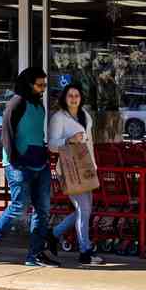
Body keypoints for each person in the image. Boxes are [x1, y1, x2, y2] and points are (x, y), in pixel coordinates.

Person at [0, 66, 60, 267]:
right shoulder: (17, 102)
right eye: (39, 85)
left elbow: (35, 133)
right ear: (28, 83)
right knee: (19, 206)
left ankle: (35, 255)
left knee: (43, 210)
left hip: (39, 163)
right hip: (18, 164)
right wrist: (14, 159)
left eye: (44, 85)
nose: (42, 89)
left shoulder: (39, 106)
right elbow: (6, 131)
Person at [49, 82, 103, 265]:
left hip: (86, 168)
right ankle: (85, 252)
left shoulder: (85, 115)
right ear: (65, 98)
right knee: (84, 209)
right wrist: (69, 140)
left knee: (85, 210)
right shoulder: (59, 118)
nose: (73, 98)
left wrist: (93, 167)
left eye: (77, 95)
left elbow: (90, 144)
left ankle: (53, 234)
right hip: (69, 170)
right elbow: (52, 145)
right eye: (70, 95)